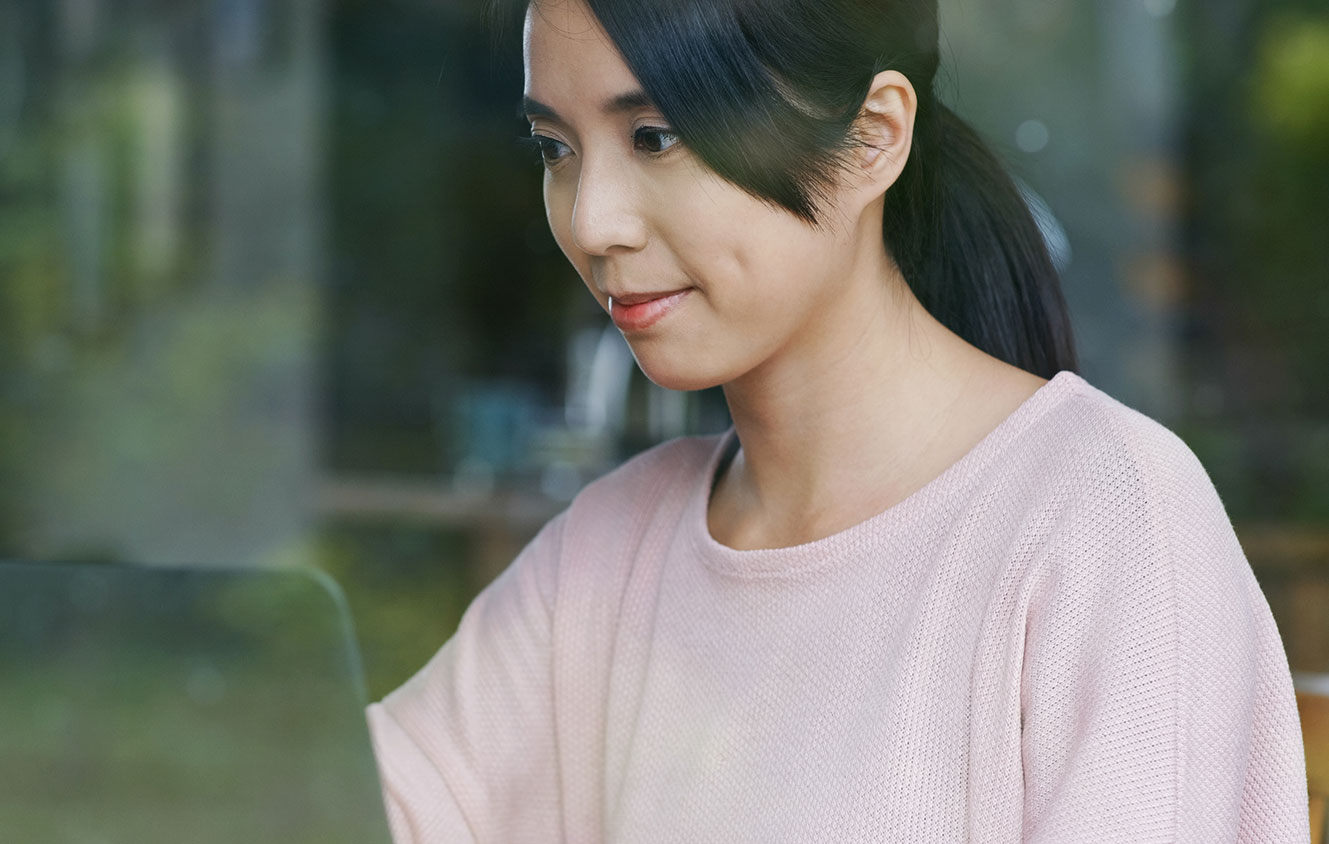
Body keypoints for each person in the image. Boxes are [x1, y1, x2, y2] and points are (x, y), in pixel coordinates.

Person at [365, 0, 1310, 840]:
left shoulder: (1104, 521)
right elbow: (343, 806)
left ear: (870, 137)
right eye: (555, 149)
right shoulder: (610, 554)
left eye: (654, 136)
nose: (593, 221)